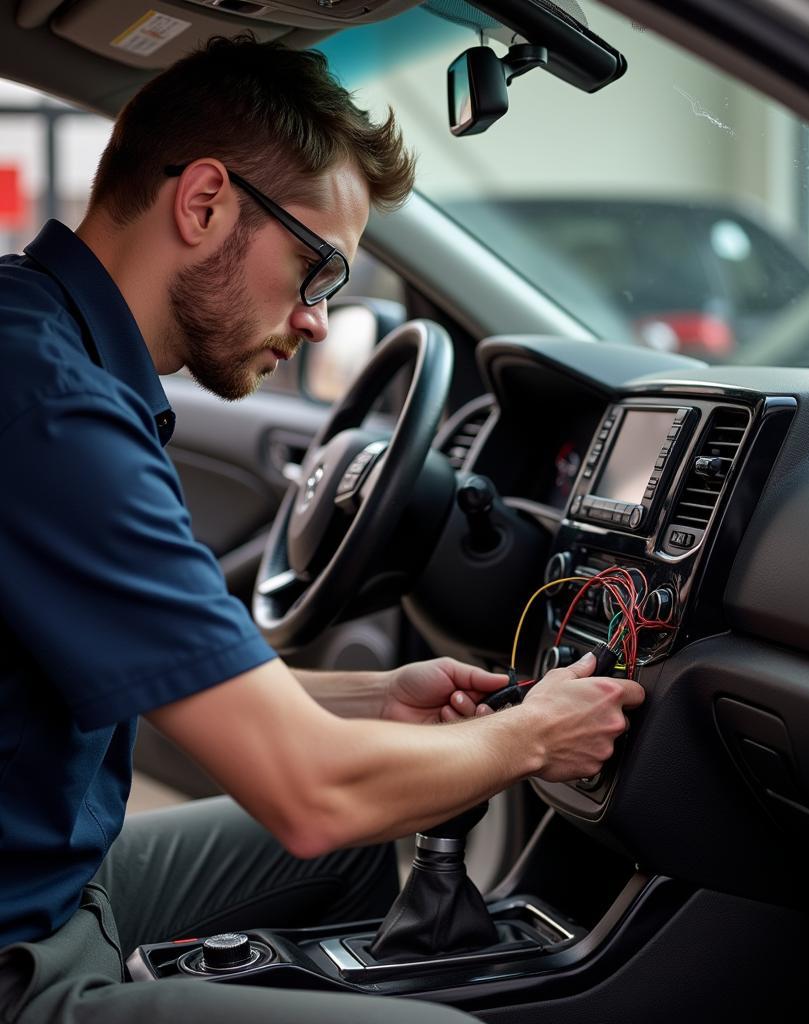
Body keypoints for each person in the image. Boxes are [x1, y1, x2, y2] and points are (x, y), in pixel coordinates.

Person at [0, 34, 644, 1024]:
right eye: (317, 272)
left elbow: (166, 678)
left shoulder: (45, 347)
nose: (313, 321)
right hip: (21, 960)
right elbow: (310, 795)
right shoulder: (53, 412)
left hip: (56, 881)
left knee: (360, 847)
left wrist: (373, 695)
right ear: (204, 202)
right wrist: (533, 734)